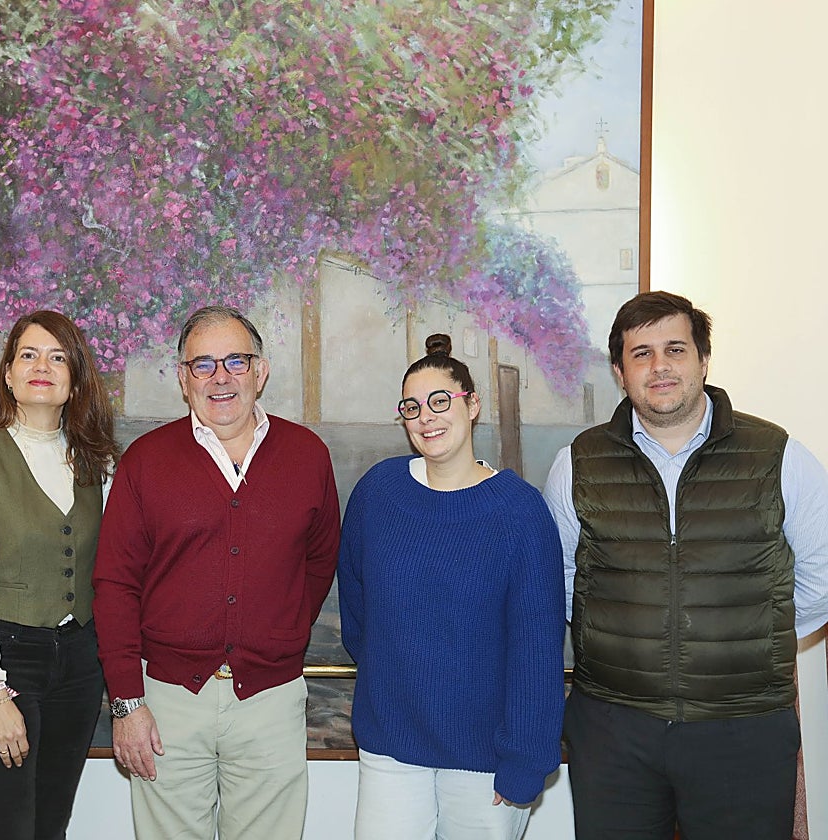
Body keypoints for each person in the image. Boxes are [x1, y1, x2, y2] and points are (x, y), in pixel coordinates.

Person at [543, 290, 828, 840]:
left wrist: (752, 641)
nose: (660, 366)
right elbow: (563, 579)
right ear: (620, 373)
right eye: (641, 353)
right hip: (613, 729)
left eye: (675, 348)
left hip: (743, 728)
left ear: (702, 360)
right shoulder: (577, 463)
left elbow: (820, 573)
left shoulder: (779, 455)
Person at [92, 305, 341, 839]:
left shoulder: (307, 455)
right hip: (166, 703)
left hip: (270, 701)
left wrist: (284, 632)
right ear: (183, 379)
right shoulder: (145, 460)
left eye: (236, 360)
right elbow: (114, 585)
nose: (221, 377)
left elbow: (320, 561)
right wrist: (127, 704)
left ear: (261, 370)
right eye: (202, 364)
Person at [338, 334, 565, 840]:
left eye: (440, 401)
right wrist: (386, 670)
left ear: (472, 405)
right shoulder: (379, 492)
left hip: (484, 759)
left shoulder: (521, 513)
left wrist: (527, 760)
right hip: (390, 743)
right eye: (412, 407)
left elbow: (537, 648)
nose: (427, 417)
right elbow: (355, 601)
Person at [0, 310, 119, 839]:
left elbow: (113, 572)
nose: (44, 366)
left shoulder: (99, 462)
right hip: (4, 660)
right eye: (29, 355)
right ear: (9, 375)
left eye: (59, 356)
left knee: (50, 827)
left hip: (79, 666)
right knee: (8, 831)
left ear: (75, 379)